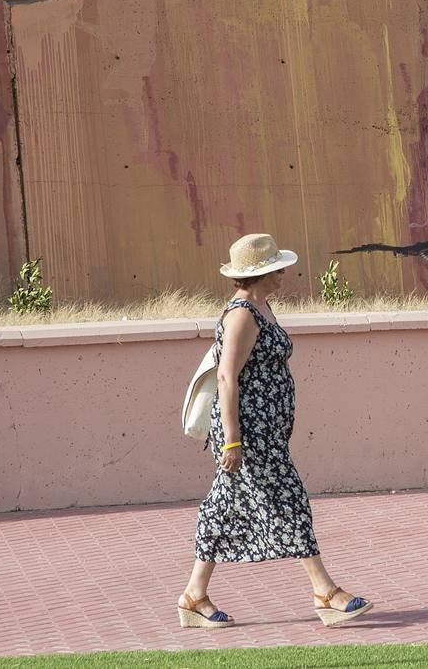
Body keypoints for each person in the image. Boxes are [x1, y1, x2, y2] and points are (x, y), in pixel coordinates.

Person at [177, 233, 372, 629]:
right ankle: (325, 590)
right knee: (290, 500)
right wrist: (232, 439)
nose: (284, 273)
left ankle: (194, 595)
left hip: (266, 428)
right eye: (276, 269)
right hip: (249, 432)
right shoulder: (242, 315)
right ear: (260, 274)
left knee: (223, 508)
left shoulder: (262, 307)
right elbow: (228, 377)